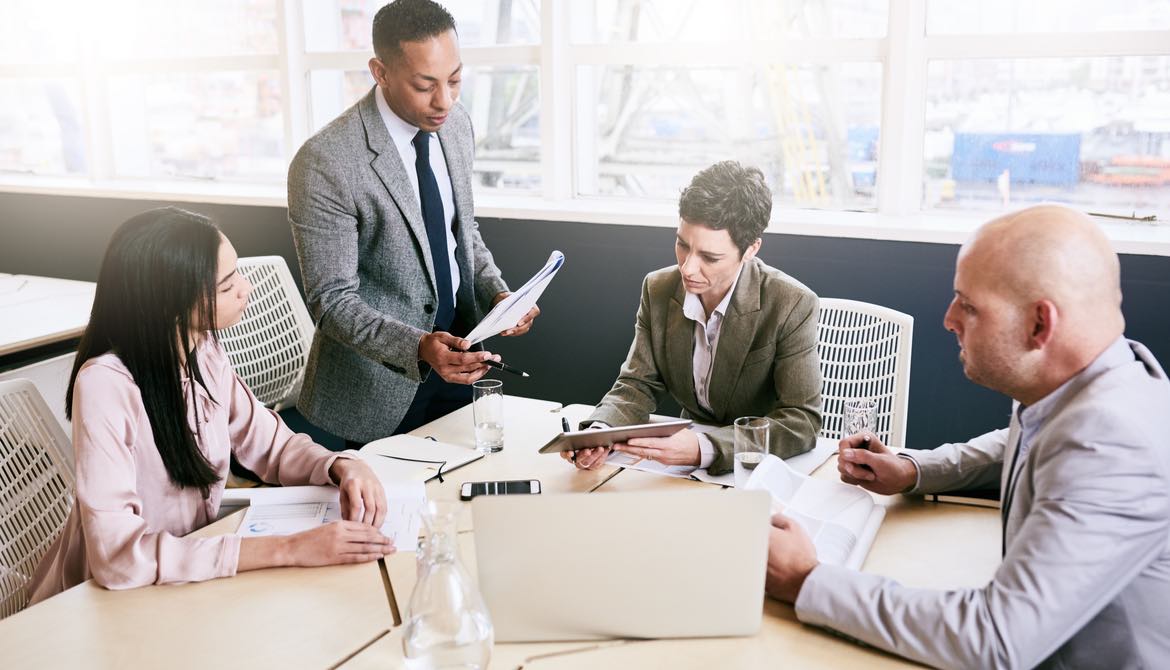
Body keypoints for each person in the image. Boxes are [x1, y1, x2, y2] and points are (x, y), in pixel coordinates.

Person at [765, 205, 1170, 668]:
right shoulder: (1097, 381)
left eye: (969, 305)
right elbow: (1020, 443)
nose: (949, 319)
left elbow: (995, 639)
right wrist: (912, 469)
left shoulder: (1114, 446)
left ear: (1040, 324)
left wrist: (805, 580)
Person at [27, 208, 395, 604]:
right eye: (226, 285)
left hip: (184, 582)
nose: (246, 288)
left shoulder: (203, 351)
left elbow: (274, 447)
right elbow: (118, 557)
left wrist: (344, 466)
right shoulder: (106, 384)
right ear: (170, 302)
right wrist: (288, 549)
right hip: (98, 603)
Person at [287, 0, 537, 447]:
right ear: (379, 72)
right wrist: (418, 346)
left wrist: (500, 295)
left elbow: (462, 233)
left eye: (455, 79)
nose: (445, 101)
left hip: (460, 369)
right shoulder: (325, 161)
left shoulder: (456, 126)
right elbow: (331, 301)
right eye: (425, 85)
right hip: (371, 392)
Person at [567, 161, 822, 475]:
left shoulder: (791, 303)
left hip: (760, 470)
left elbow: (801, 421)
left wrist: (707, 447)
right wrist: (599, 431)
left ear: (751, 248)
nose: (687, 268)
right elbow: (637, 384)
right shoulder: (658, 288)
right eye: (682, 245)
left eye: (710, 257)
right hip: (681, 470)